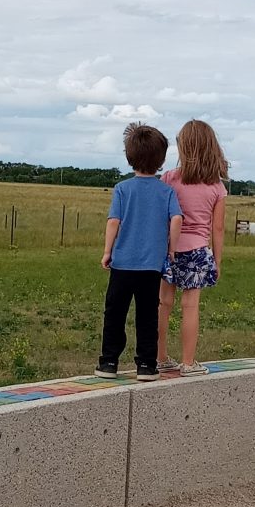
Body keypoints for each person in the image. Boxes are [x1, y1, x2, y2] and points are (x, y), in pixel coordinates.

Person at [97, 123, 182, 378]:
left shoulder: (123, 188)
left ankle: (108, 362)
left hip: (122, 263)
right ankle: (146, 365)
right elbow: (177, 219)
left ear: (129, 156)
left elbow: (114, 221)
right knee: (147, 316)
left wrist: (107, 251)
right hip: (151, 266)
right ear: (161, 160)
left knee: (115, 313)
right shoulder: (166, 191)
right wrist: (171, 249)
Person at [158, 118, 228, 374]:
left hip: (169, 249)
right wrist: (217, 261)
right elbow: (217, 229)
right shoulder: (217, 187)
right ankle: (188, 362)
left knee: (163, 303)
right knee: (190, 306)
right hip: (198, 251)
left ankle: (160, 357)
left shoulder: (169, 179)